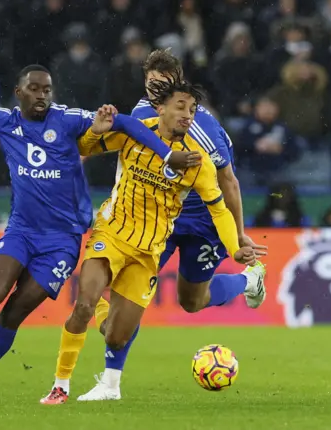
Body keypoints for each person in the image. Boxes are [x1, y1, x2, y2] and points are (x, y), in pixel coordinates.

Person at [0, 61, 197, 405]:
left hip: (61, 242)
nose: (42, 95)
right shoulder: (5, 121)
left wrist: (166, 154)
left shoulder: (68, 119)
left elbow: (129, 123)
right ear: (19, 93)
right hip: (21, 232)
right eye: (34, 89)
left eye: (47, 89)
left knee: (15, 312)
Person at [40, 71, 261, 405]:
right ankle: (64, 386)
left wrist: (236, 245)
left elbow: (219, 207)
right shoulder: (135, 131)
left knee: (121, 332)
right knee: (84, 302)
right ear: (160, 108)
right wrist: (94, 132)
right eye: (181, 107)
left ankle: (248, 281)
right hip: (112, 234)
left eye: (192, 109)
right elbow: (85, 146)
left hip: (153, 246)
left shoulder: (197, 159)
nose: (188, 114)